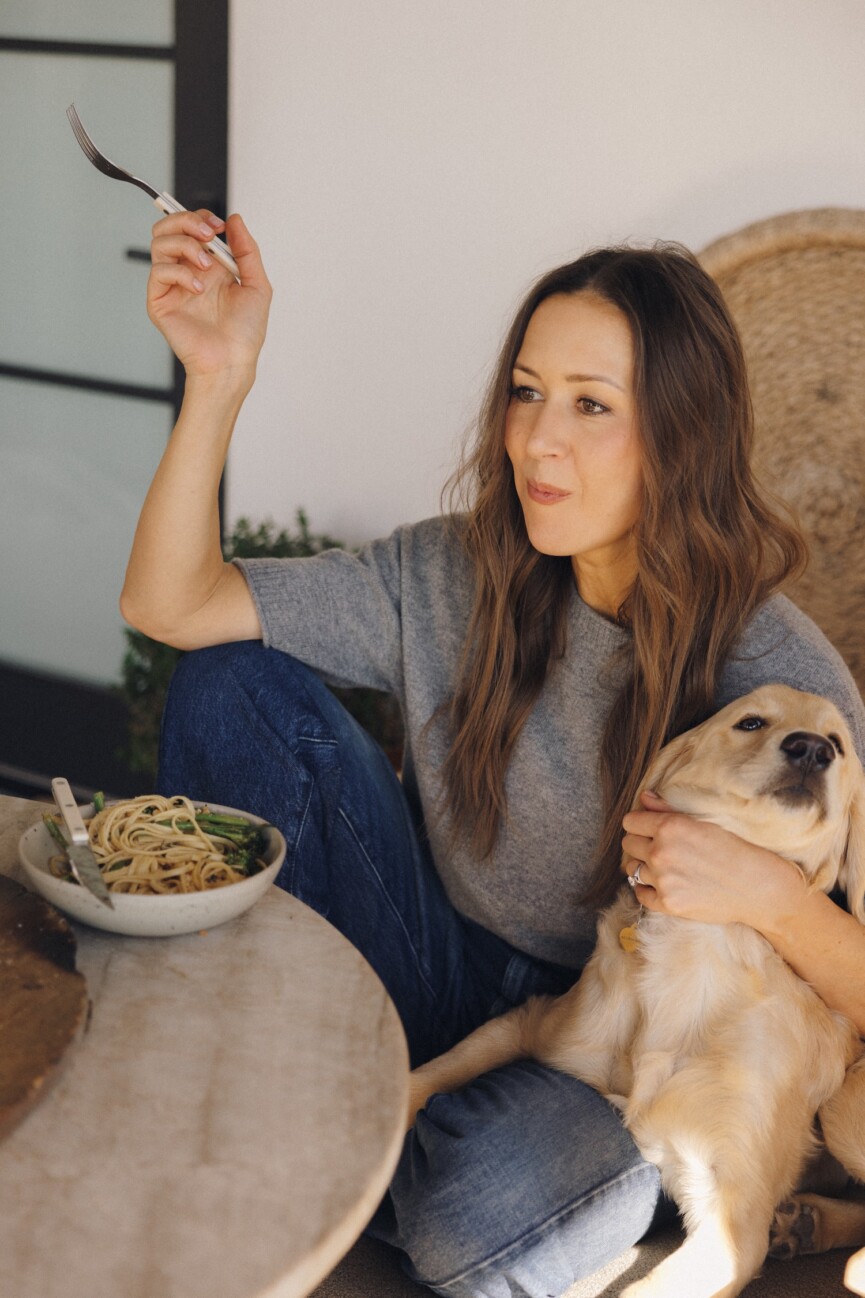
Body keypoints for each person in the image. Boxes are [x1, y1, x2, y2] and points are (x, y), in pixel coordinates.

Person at [122, 211, 865, 1298]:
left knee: (488, 1207)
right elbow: (171, 602)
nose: (535, 439)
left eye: (591, 405)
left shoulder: (781, 686)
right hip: (428, 953)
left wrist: (769, 894)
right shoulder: (451, 573)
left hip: (604, 1057)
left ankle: (313, 1115)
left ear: (683, 433)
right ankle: (372, 1130)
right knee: (228, 685)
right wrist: (218, 377)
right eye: (526, 391)